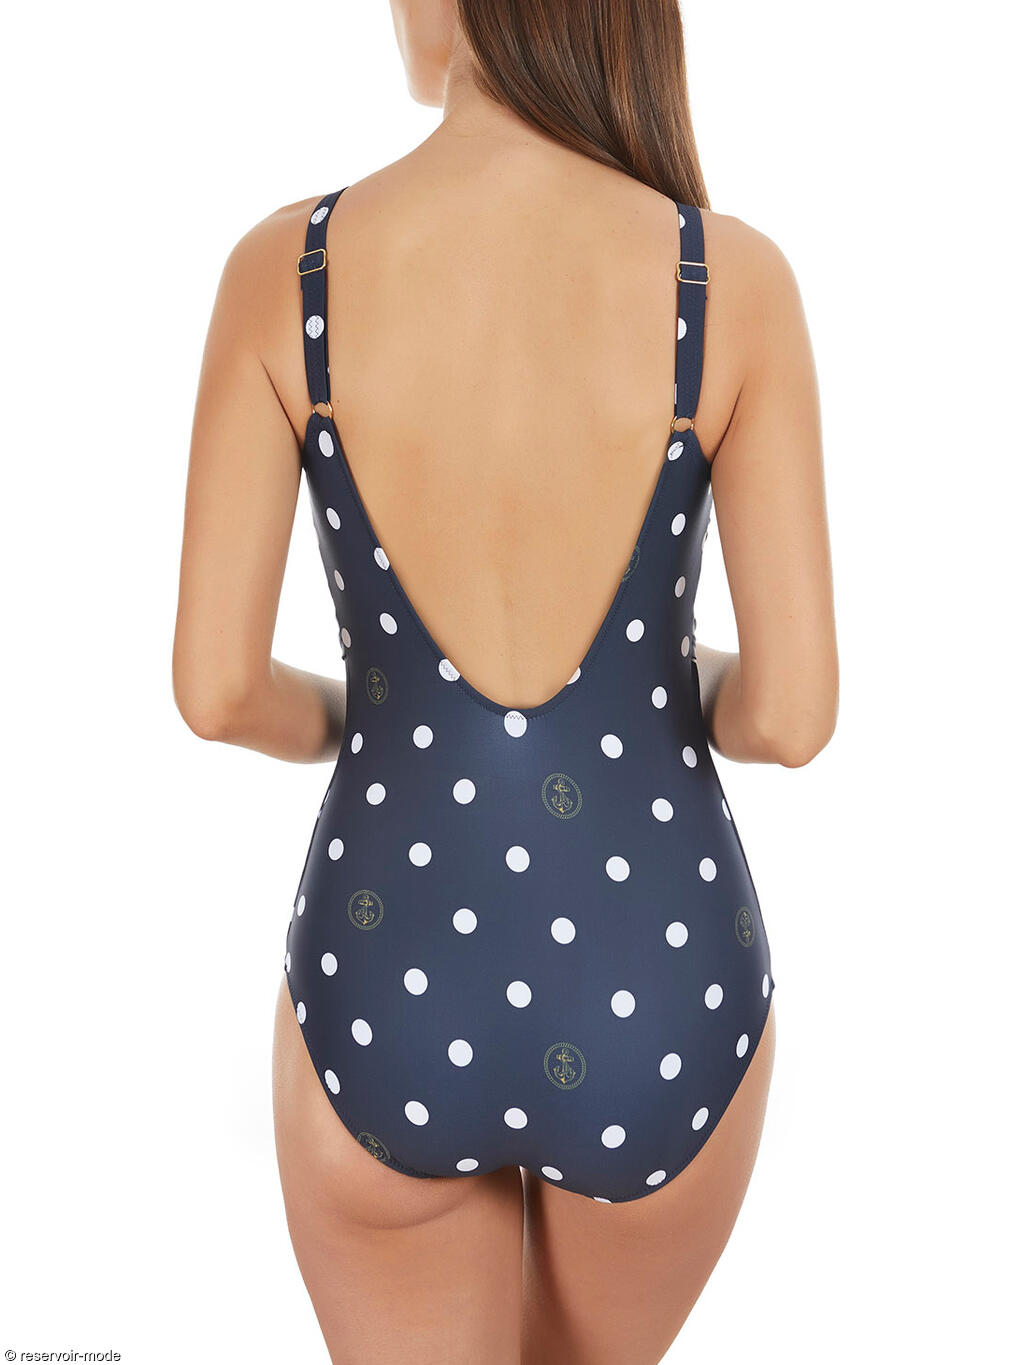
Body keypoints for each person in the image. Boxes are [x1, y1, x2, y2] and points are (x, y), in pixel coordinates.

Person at [173, 1, 838, 1359]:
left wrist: (375, 711)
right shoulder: (728, 278)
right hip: (660, 984)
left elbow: (215, 689)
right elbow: (791, 716)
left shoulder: (286, 269)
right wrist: (661, 680)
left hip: (388, 968)